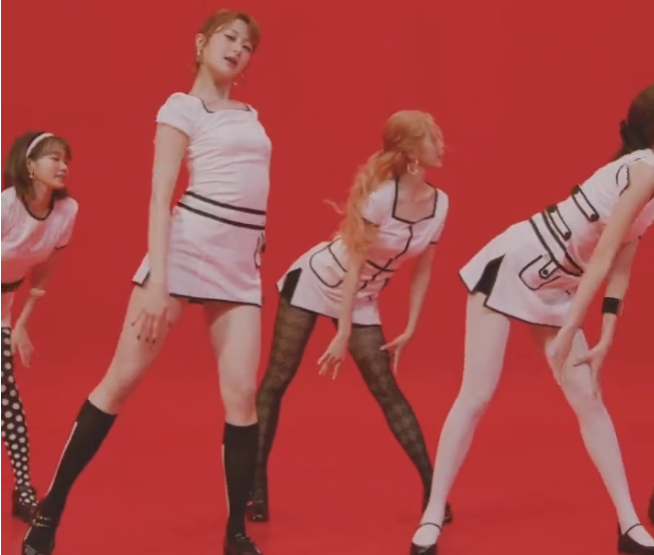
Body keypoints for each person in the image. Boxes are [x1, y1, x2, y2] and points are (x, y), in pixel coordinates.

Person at [23, 9, 270, 555]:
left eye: (247, 45)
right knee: (119, 382)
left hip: (238, 267)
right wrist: (159, 282)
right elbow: (160, 199)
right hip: (183, 252)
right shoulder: (181, 108)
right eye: (229, 37)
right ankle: (48, 512)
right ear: (202, 42)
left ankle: (235, 534)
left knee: (242, 395)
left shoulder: (250, 114)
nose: (238, 49)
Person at [409, 84, 654, 555]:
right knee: (476, 395)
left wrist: (605, 335)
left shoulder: (648, 180)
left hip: (560, 283)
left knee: (589, 399)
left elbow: (622, 263)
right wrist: (570, 329)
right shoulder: (645, 169)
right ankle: (432, 514)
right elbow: (604, 256)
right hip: (518, 262)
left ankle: (629, 524)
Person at [245, 111, 453, 526]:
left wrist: (411, 325)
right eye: (433, 138)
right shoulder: (382, 197)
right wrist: (342, 332)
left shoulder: (440, 204)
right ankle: (254, 489)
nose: (441, 145)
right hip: (319, 279)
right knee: (276, 380)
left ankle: (433, 491)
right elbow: (354, 263)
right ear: (412, 151)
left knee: (387, 390)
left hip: (362, 297)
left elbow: (423, 270)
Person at [1, 131, 78, 524]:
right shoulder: (7, 206)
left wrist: (22, 324)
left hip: (4, 304)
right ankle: (24, 489)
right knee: (5, 391)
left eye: (66, 159)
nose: (63, 166)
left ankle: (23, 489)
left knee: (5, 394)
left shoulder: (66, 211)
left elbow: (46, 269)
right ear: (29, 165)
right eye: (53, 158)